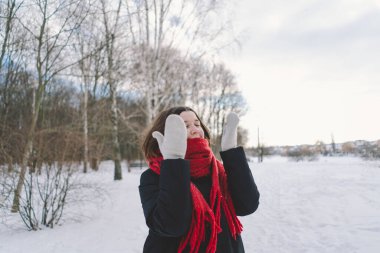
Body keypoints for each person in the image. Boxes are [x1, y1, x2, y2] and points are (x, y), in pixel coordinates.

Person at [139, 106, 260, 253]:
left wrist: (232, 153)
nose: (195, 130)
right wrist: (174, 162)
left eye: (197, 124)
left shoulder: (217, 171)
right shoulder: (153, 177)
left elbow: (247, 205)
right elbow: (172, 225)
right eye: (184, 126)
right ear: (166, 135)